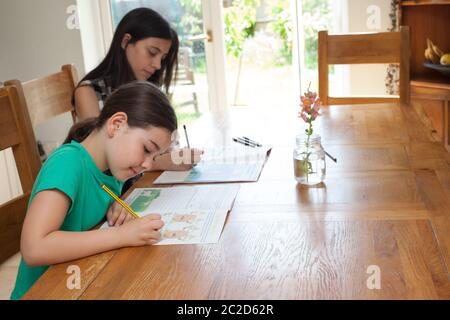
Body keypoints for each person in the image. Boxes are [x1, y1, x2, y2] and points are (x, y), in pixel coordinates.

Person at [11, 81, 177, 300]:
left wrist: (116, 205)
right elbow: (34, 248)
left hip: (82, 283)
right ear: (116, 124)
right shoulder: (67, 165)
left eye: (154, 157)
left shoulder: (112, 167)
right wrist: (121, 235)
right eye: (147, 149)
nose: (147, 164)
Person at [74, 7, 202, 174]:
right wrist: (162, 163)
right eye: (152, 52)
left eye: (162, 58)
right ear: (126, 41)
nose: (157, 65)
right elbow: (102, 164)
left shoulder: (147, 88)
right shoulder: (88, 92)